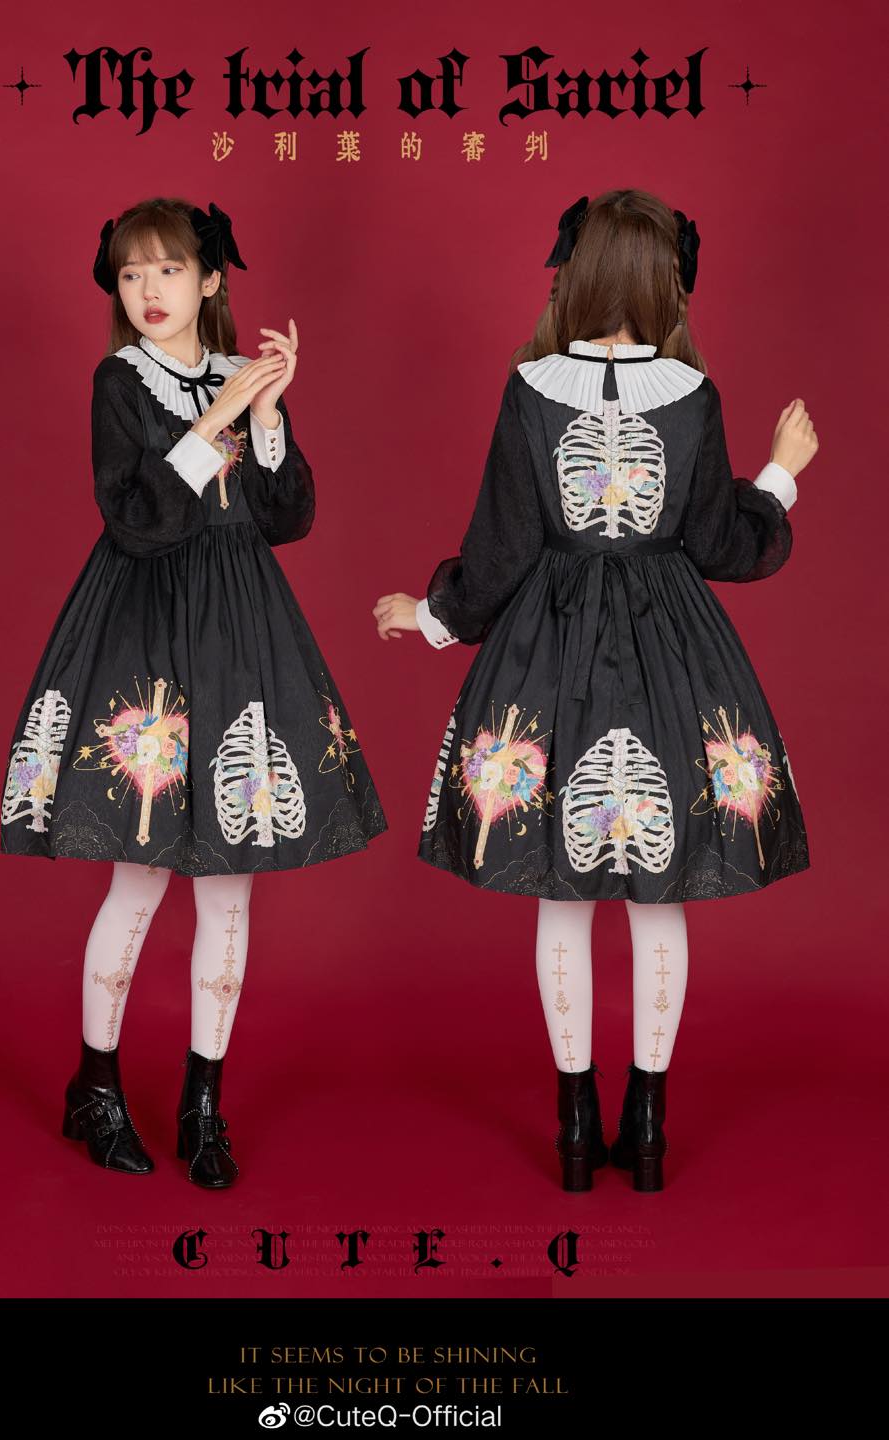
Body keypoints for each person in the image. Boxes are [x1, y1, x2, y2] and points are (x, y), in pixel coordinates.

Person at [373, 189, 815, 1193]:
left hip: (552, 646)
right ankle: (646, 1127)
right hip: (672, 650)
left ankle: (575, 1126)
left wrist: (433, 616)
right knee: (663, 895)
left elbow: (501, 549)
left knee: (560, 890)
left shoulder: (531, 390)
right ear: (666, 282)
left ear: (573, 275)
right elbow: (720, 545)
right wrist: (781, 478)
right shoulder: (691, 394)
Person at [0, 196, 388, 1186]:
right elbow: (136, 520)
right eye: (132, 274)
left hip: (240, 630)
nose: (148, 290)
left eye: (169, 270)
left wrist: (265, 414)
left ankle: (203, 1102)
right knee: (138, 874)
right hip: (143, 627)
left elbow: (287, 518)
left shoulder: (241, 374)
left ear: (210, 280)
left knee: (229, 883)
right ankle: (97, 1087)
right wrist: (214, 420)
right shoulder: (119, 380)